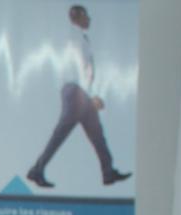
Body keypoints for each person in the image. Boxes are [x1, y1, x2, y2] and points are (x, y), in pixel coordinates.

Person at [26, 5, 131, 188]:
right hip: (76, 94)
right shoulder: (75, 38)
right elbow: (79, 69)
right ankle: (37, 170)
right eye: (86, 16)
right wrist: (91, 97)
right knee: (60, 135)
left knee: (97, 135)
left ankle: (108, 172)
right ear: (78, 17)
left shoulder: (79, 37)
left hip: (78, 93)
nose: (89, 19)